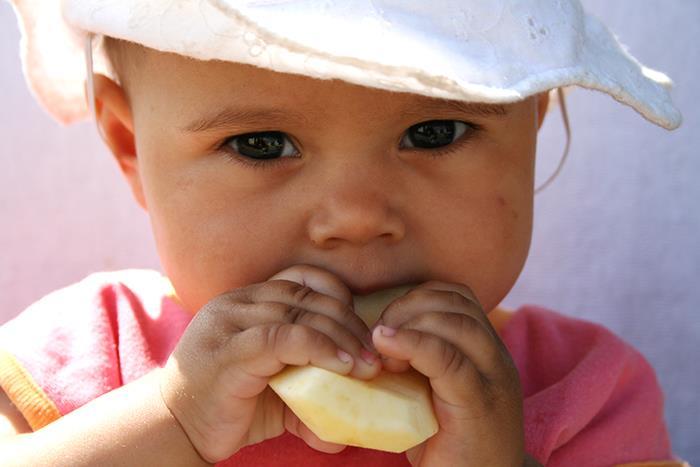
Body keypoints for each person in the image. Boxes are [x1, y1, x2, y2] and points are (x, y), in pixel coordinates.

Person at [0, 1, 687, 465]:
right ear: (130, 148)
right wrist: (172, 418)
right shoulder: (88, 357)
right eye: (263, 143)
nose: (356, 215)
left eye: (434, 132)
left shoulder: (585, 395)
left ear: (532, 124)